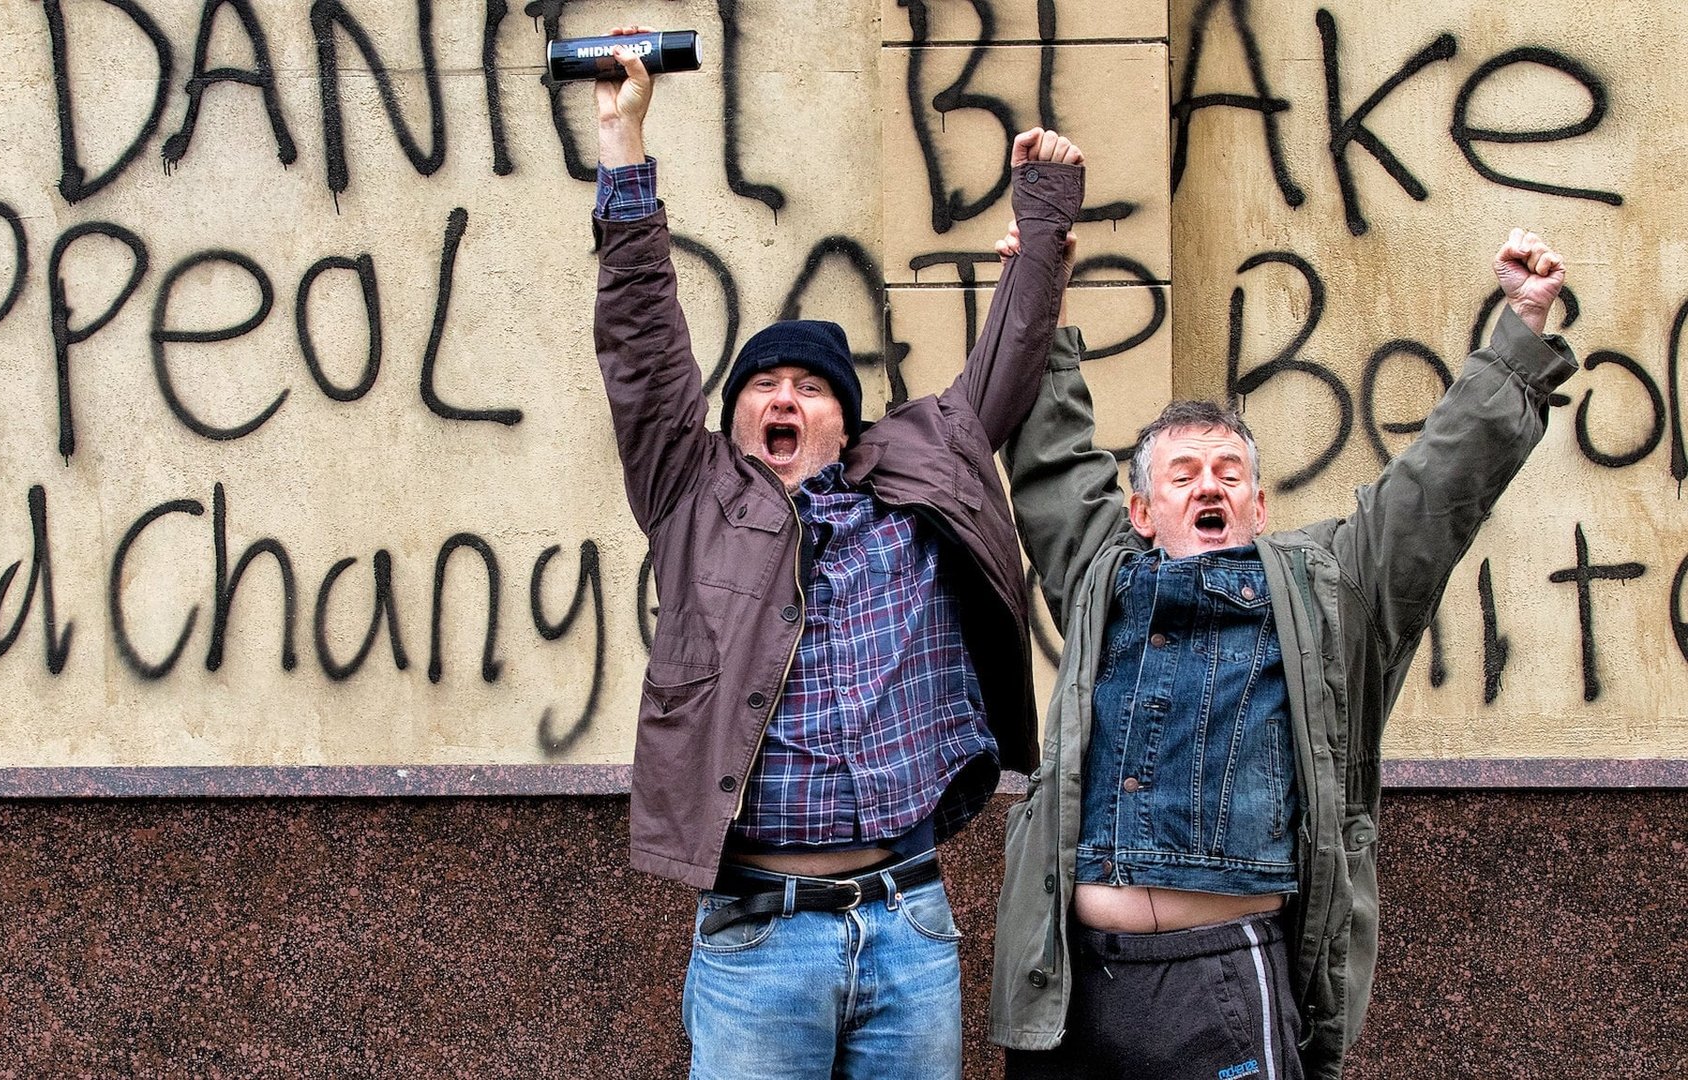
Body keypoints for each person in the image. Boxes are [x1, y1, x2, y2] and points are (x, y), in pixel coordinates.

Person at [585, 28, 1082, 1079]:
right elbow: (642, 347)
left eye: (809, 388)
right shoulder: (693, 493)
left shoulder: (913, 480)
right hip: (759, 939)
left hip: (909, 925)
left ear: (844, 426)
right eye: (763, 386)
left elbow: (1010, 359)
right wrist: (624, 147)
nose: (783, 398)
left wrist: (1043, 219)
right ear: (733, 422)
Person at [987, 228, 1578, 1080]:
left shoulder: (1327, 588)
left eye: (1228, 472)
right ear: (1144, 512)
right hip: (1072, 984)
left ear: (1259, 507)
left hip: (1222, 979)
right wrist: (1036, 286)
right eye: (1183, 475)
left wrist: (1520, 331)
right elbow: (1050, 462)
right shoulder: (1102, 575)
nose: (1210, 486)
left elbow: (1435, 488)